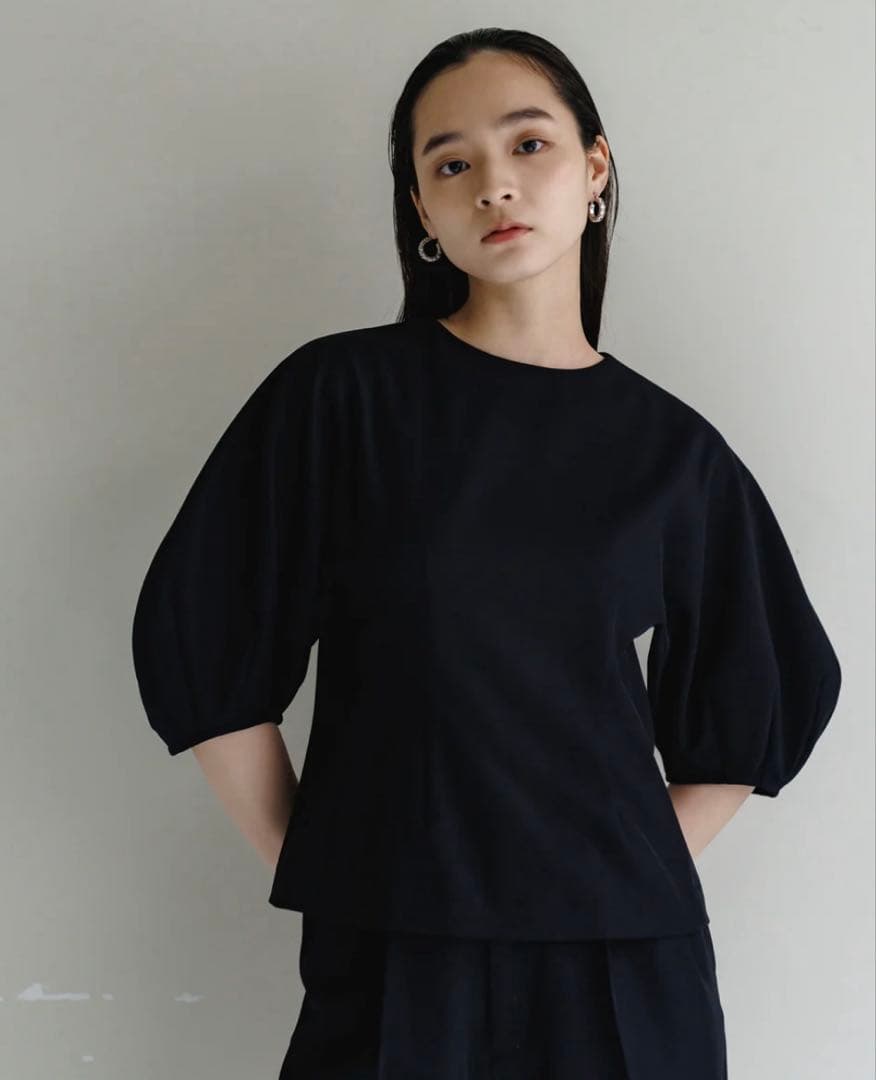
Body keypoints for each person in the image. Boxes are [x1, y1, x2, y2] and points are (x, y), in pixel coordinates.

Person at [131, 28, 843, 1080]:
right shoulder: (342, 400)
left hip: (625, 966)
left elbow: (757, 691)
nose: (494, 185)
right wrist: (331, 863)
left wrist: (607, 872)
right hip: (395, 952)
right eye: (451, 164)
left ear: (594, 170)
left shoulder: (673, 451)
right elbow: (207, 637)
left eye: (529, 145)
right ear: (423, 211)